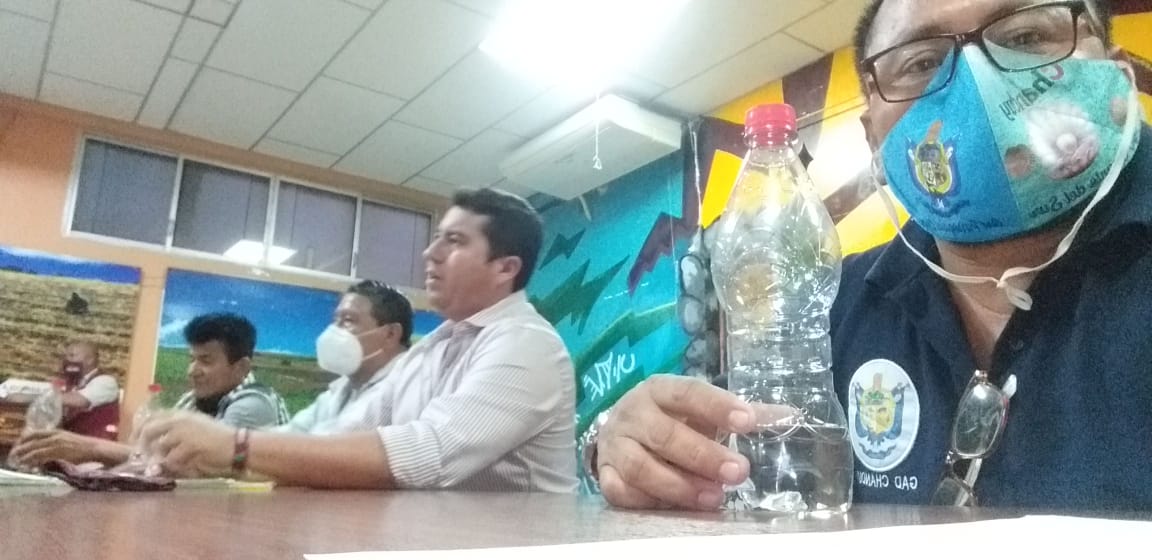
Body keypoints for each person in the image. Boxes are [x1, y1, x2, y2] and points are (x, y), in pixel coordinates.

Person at [595, 0, 1152, 511]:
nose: (977, 78)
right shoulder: (836, 307)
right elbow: (721, 446)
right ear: (873, 140)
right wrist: (621, 445)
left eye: (1026, 36)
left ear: (1117, 71)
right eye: (922, 62)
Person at [138, 188, 578, 492]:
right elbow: (335, 436)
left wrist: (237, 448)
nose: (430, 253)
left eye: (455, 241)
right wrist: (215, 456)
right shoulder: (430, 349)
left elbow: (429, 454)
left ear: (505, 268)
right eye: (435, 239)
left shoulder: (527, 345)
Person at [11, 312, 290, 467]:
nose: (192, 370)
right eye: (191, 359)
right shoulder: (192, 399)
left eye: (205, 361)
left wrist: (92, 448)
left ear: (241, 367)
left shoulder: (253, 403)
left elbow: (199, 466)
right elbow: (148, 453)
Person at [276, 280, 413, 435]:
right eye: (336, 320)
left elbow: (330, 442)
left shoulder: (402, 389)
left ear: (390, 334)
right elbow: (293, 432)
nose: (334, 329)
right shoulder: (345, 387)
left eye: (348, 320)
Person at [57, 341, 120, 440]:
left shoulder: (106, 381)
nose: (67, 360)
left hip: (97, 444)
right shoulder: (73, 384)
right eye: (66, 356)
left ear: (90, 360)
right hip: (73, 442)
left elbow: (81, 401)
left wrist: (48, 397)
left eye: (72, 356)